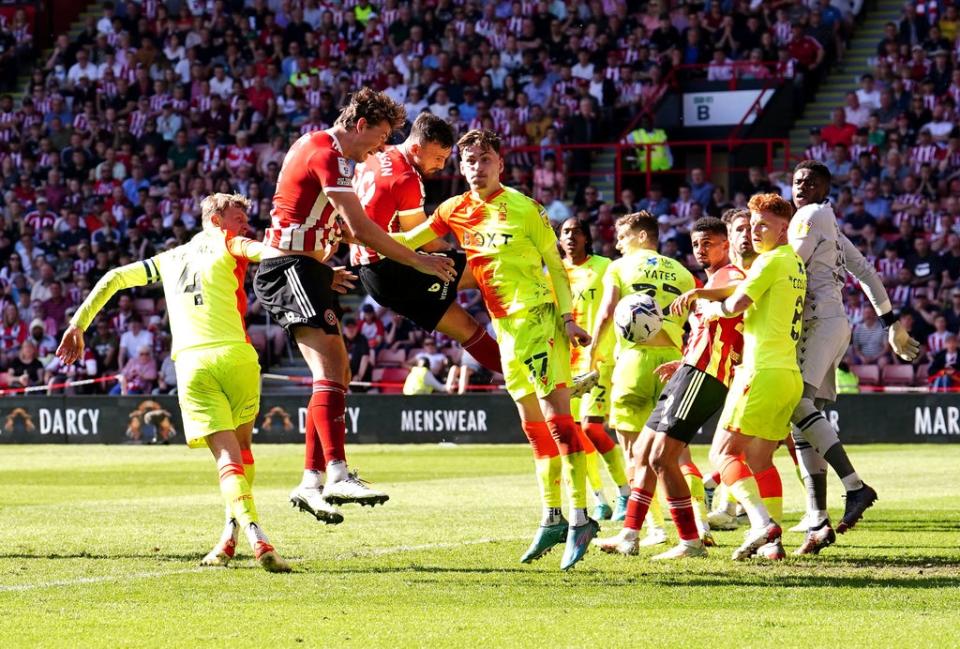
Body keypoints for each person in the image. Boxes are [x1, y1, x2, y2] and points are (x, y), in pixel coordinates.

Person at [393, 129, 597, 570]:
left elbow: (557, 268)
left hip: (539, 318)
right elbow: (413, 240)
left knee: (559, 423)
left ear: (500, 163)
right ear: (460, 167)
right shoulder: (454, 210)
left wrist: (567, 318)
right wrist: (362, 244)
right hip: (504, 327)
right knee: (534, 431)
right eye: (468, 161)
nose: (476, 167)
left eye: (484, 159)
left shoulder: (525, 209)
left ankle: (581, 516)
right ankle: (552, 516)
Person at [57, 193, 292, 573]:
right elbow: (273, 254)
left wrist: (77, 324)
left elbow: (115, 277)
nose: (245, 224)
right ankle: (239, 536)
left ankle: (248, 534)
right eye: (238, 217)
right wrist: (322, 268)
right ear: (216, 220)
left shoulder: (167, 259)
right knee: (242, 452)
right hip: (238, 357)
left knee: (229, 458)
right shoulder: (230, 243)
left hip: (193, 364)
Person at [253, 89, 456, 524]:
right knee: (332, 368)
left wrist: (327, 267)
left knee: (337, 372)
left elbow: (336, 227)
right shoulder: (324, 151)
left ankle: (311, 481)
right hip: (288, 265)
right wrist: (419, 259)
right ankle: (337, 472)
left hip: (307, 268)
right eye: (380, 137)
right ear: (360, 125)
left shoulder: (337, 158)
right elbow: (360, 228)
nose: (380, 147)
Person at [787, 160, 920, 554]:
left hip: (818, 321)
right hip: (832, 323)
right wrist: (890, 322)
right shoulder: (830, 223)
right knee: (803, 419)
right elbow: (865, 271)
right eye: (796, 182)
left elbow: (791, 263)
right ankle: (817, 519)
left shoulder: (810, 216)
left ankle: (855, 487)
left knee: (796, 404)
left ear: (822, 189)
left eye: (809, 183)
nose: (800, 188)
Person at [593, 216, 746, 559]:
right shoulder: (706, 278)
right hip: (690, 368)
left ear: (726, 245)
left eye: (708, 243)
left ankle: (691, 539)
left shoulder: (728, 274)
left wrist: (698, 292)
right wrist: (683, 360)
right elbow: (708, 333)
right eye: (696, 244)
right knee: (645, 452)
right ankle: (629, 535)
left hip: (705, 376)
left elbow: (741, 290)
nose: (700, 249)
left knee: (662, 457)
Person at [696, 193, 807, 560]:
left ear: (784, 228)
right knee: (760, 460)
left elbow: (736, 305)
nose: (757, 231)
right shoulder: (795, 263)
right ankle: (773, 546)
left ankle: (761, 523)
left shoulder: (769, 261)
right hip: (788, 374)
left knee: (721, 453)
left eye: (764, 225)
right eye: (753, 224)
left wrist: (709, 308)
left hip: (761, 371)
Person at [350, 112, 502, 379]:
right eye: (438, 158)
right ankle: (539, 369)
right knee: (492, 269)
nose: (441, 167)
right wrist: (464, 251)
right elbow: (427, 243)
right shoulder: (407, 178)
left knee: (467, 328)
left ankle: (529, 379)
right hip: (395, 266)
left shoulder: (374, 155)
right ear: (417, 148)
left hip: (371, 274)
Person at [559, 217, 630, 522]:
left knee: (592, 427)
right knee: (574, 433)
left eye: (576, 231)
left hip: (599, 358)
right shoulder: (555, 274)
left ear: (587, 237)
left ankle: (625, 494)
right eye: (565, 232)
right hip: (566, 361)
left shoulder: (605, 267)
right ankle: (599, 500)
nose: (570, 236)